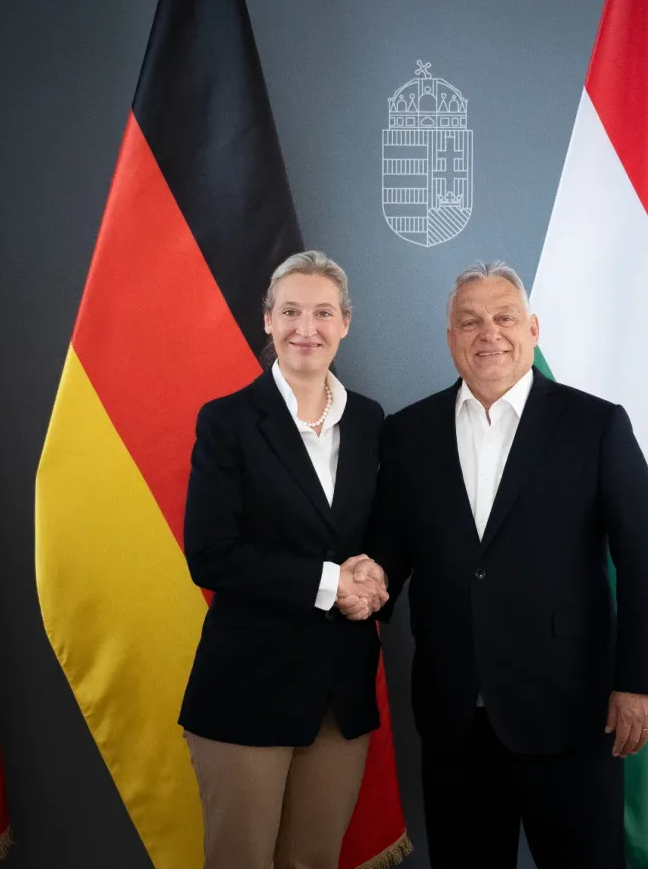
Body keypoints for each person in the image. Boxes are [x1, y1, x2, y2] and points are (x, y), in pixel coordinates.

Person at [368, 261, 648, 868]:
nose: (489, 333)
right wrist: (355, 586)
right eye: (470, 321)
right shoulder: (407, 433)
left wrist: (639, 680)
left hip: (572, 712)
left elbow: (643, 554)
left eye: (504, 317)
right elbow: (387, 556)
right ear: (450, 338)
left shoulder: (595, 424)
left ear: (532, 329)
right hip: (454, 718)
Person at [178, 251, 390, 869]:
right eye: (291, 311)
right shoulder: (227, 421)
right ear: (267, 320)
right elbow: (210, 556)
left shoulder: (370, 420)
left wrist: (376, 574)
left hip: (340, 691)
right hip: (248, 685)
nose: (307, 328)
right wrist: (329, 583)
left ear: (345, 322)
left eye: (323, 313)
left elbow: (382, 529)